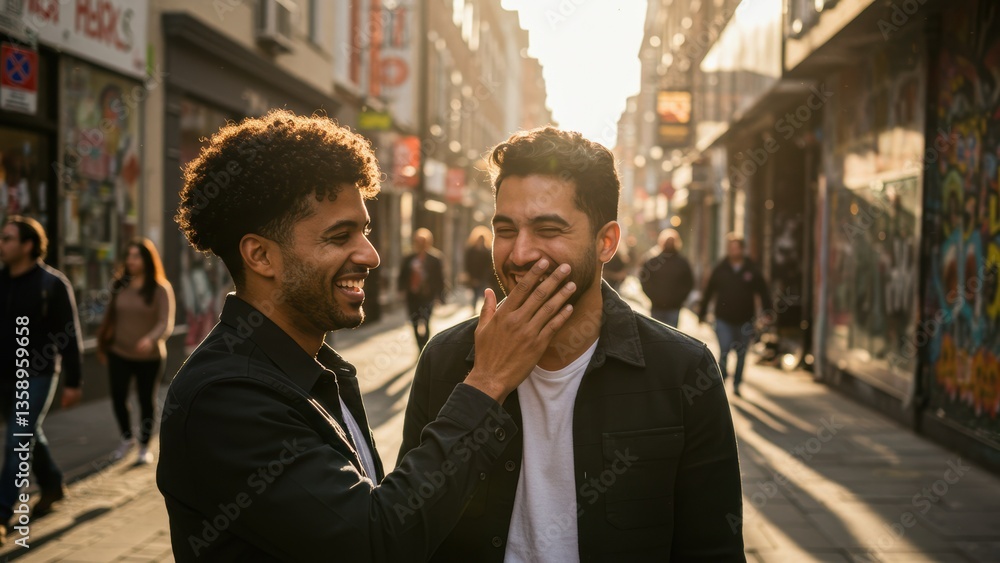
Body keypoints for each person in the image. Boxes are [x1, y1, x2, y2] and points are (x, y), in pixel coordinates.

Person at [158, 110, 577, 561]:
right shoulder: (225, 397)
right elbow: (375, 541)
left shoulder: (315, 368)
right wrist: (487, 382)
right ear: (260, 255)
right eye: (341, 236)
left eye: (366, 231)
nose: (371, 255)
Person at [398, 127, 744, 561]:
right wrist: (483, 384)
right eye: (505, 229)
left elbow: (713, 548)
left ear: (606, 242)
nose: (519, 253)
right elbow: (406, 532)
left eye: (547, 229)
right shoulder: (446, 360)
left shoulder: (682, 372)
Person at [0, 216, 83, 543]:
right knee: (28, 432)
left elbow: (69, 337)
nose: (2, 244)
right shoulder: (1, 280)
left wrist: (74, 381)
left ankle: (3, 512)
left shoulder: (52, 284)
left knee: (17, 438)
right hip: (4, 375)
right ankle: (51, 485)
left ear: (28, 245)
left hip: (37, 374)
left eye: (7, 238)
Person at [97, 238, 175, 465]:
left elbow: (165, 322)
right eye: (128, 255)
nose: (131, 260)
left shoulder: (161, 288)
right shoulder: (119, 284)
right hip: (118, 352)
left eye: (136, 256)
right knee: (118, 396)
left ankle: (143, 445)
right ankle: (126, 439)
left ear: (147, 260)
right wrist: (104, 344)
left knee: (145, 399)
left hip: (149, 357)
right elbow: (110, 317)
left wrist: (150, 339)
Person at [698, 233, 773, 396]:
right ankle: (722, 379)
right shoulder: (720, 268)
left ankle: (737, 383)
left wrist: (768, 312)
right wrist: (701, 313)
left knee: (742, 353)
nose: (733, 251)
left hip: (745, 319)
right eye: (730, 248)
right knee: (724, 350)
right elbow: (709, 291)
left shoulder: (751, 270)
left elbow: (763, 291)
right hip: (723, 318)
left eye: (736, 248)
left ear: (742, 249)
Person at [398, 227, 445, 350]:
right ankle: (420, 345)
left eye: (423, 242)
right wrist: (401, 290)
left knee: (426, 321)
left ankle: (425, 345)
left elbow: (440, 279)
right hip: (412, 296)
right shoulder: (409, 258)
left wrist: (440, 297)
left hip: (427, 295)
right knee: (414, 322)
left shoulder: (435, 259)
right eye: (418, 242)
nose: (420, 245)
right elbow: (402, 275)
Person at [639, 228, 694, 328]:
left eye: (672, 241)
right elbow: (644, 280)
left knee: (671, 337)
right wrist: (653, 297)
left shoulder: (682, 262)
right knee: (656, 336)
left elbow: (688, 283)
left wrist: (679, 299)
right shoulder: (653, 261)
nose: (669, 243)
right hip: (656, 307)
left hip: (674, 308)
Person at [464, 225, 494, 312]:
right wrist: (470, 276)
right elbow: (467, 264)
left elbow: (489, 266)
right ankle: (474, 309)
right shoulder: (471, 250)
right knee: (475, 294)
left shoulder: (487, 251)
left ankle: (484, 310)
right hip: (473, 276)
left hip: (483, 277)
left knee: (483, 293)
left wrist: (486, 277)